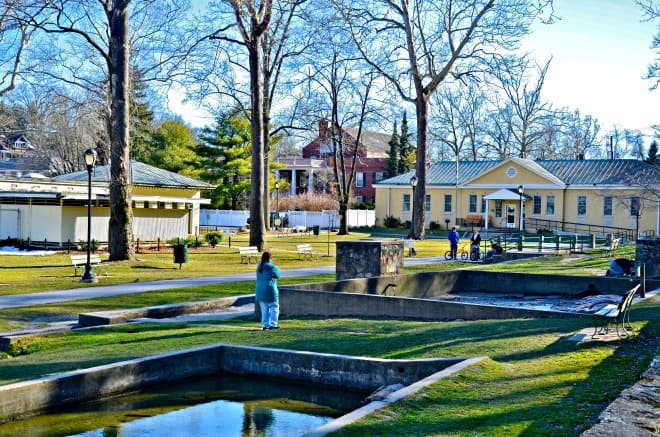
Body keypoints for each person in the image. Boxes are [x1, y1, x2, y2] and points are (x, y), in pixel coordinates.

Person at [255, 251, 281, 330]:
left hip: (260, 291)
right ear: (270, 258)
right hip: (270, 291)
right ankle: (273, 324)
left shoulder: (259, 267)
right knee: (274, 307)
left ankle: (265, 325)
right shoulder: (271, 267)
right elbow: (278, 274)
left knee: (264, 309)